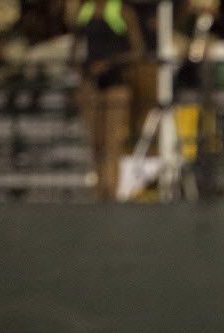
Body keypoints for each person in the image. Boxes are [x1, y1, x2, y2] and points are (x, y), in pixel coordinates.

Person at [70, 0, 145, 201]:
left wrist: (110, 63)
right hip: (91, 85)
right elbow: (74, 48)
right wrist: (82, 75)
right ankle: (98, 189)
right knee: (96, 142)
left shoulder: (121, 11)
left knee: (112, 140)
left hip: (116, 82)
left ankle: (112, 190)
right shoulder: (84, 11)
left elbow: (137, 50)